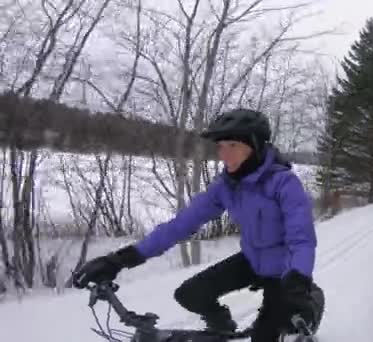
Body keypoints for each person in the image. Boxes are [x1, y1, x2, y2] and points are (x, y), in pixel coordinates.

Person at [72, 108, 323, 341]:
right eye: (221, 147)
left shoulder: (283, 183)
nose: (224, 154)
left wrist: (298, 278)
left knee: (267, 335)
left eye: (233, 145)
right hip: (252, 260)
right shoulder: (227, 186)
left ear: (255, 146)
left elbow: (301, 239)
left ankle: (310, 303)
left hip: (284, 270)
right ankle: (222, 327)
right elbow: (182, 224)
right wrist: (122, 259)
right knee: (190, 294)